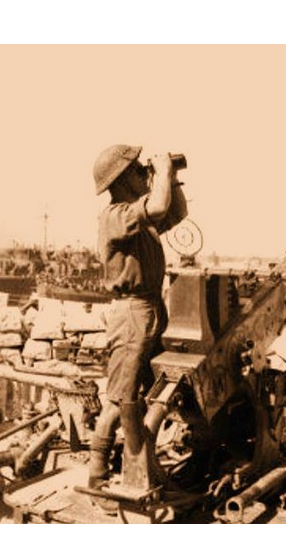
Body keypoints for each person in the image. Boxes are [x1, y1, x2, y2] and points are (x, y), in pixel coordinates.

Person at [88, 144, 187, 514]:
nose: (141, 174)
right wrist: (160, 172)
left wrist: (170, 178)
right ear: (121, 179)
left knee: (145, 394)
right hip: (131, 312)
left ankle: (140, 471)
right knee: (120, 398)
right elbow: (158, 207)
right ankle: (97, 478)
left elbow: (176, 212)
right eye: (136, 171)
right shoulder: (116, 215)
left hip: (149, 308)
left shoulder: (137, 219)